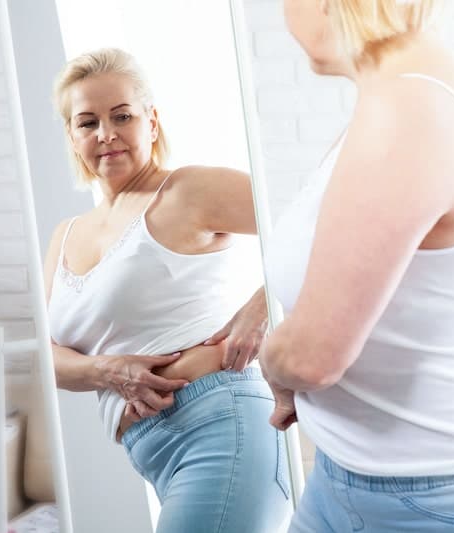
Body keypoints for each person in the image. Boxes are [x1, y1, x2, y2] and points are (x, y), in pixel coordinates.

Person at [259, 1, 454, 531]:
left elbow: (312, 359)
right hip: (344, 476)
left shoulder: (407, 107)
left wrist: (275, 362)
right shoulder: (397, 93)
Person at [44, 47, 289, 533]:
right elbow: (47, 358)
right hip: (151, 448)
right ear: (72, 138)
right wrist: (106, 369)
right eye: (87, 122)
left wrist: (263, 306)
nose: (106, 134)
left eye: (122, 116)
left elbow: (321, 223)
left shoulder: (186, 192)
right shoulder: (66, 235)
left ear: (151, 123)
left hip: (221, 422)